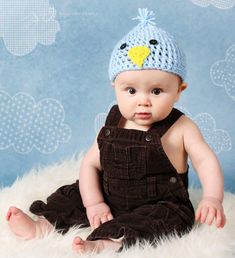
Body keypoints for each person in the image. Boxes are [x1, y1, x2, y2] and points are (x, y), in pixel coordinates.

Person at [6, 8, 226, 253]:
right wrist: (94, 203)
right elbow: (90, 165)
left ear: (179, 90)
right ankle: (42, 226)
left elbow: (205, 160)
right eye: (131, 90)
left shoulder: (182, 127)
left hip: (159, 203)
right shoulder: (113, 122)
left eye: (156, 91)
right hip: (110, 196)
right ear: (115, 87)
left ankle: (105, 243)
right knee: (72, 195)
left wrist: (212, 198)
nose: (143, 101)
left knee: (165, 221)